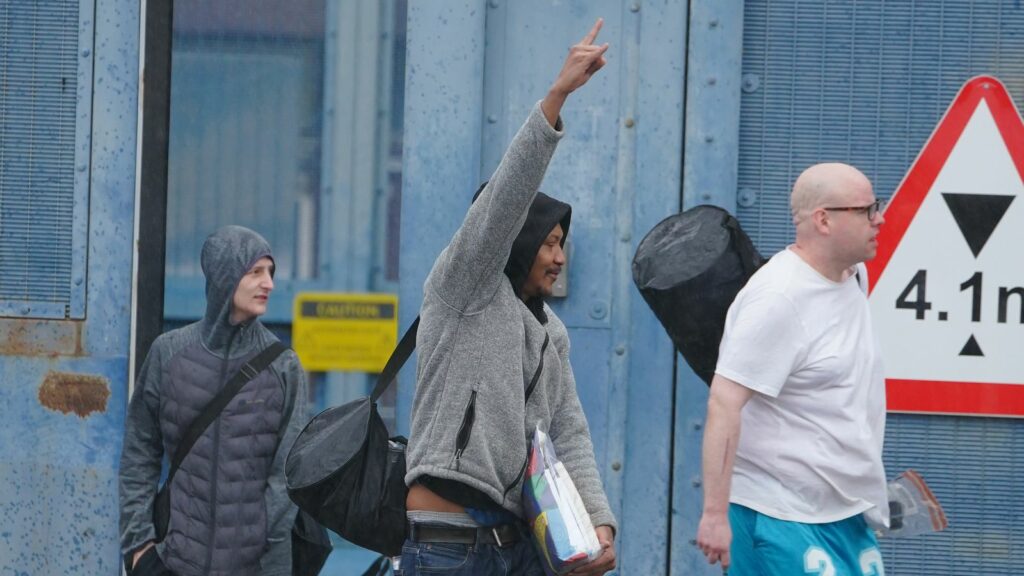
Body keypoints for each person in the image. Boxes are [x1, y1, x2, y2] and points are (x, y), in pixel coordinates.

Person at [401, 18, 617, 576]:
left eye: (563, 245)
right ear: (517, 242)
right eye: (549, 243)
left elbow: (569, 431)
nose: (560, 258)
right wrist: (558, 95)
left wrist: (599, 525)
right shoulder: (465, 286)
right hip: (447, 546)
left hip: (516, 548)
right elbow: (503, 204)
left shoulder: (552, 332)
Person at [696, 163, 890, 575]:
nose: (880, 219)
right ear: (824, 219)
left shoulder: (854, 276)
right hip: (778, 514)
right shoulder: (778, 298)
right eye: (867, 210)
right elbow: (724, 403)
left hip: (843, 513)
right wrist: (714, 515)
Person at [119, 225, 308, 576]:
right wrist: (139, 548)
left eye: (270, 272)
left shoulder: (284, 366)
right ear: (225, 275)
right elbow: (139, 454)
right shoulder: (169, 353)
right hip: (173, 563)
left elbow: (288, 477)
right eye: (255, 272)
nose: (269, 284)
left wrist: (263, 549)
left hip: (258, 567)